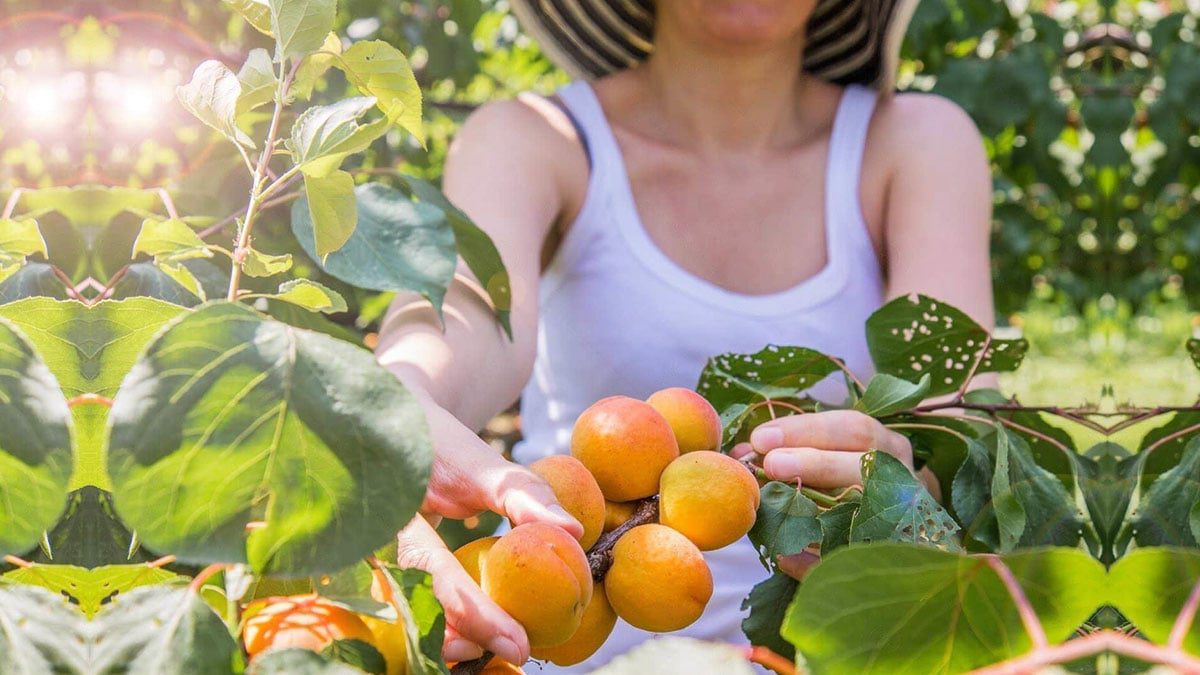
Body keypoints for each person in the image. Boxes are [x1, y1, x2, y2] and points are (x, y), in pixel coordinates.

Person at [375, 0, 994, 669]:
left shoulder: (914, 143)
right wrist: (403, 397)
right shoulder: (534, 138)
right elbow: (466, 305)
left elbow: (964, 431)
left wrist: (908, 497)